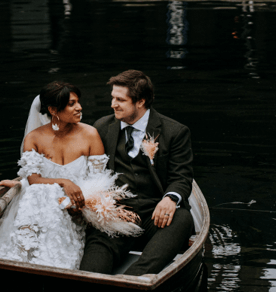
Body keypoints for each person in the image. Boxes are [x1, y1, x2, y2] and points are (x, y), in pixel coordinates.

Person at [0, 81, 138, 270]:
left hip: (77, 204)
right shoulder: (34, 138)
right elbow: (33, 180)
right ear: (53, 110)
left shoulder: (90, 134)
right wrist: (64, 182)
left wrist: (81, 201)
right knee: (40, 192)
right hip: (42, 204)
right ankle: (28, 256)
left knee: (45, 195)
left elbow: (98, 180)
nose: (79, 108)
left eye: (78, 102)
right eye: (72, 104)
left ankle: (48, 261)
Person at [79, 70, 195, 276]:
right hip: (117, 214)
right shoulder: (103, 127)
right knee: (92, 267)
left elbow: (181, 177)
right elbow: (92, 171)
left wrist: (170, 199)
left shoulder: (174, 132)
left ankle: (134, 279)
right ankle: (92, 282)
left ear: (140, 102)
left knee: (183, 218)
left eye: (120, 100)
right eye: (113, 97)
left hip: (156, 215)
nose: (113, 104)